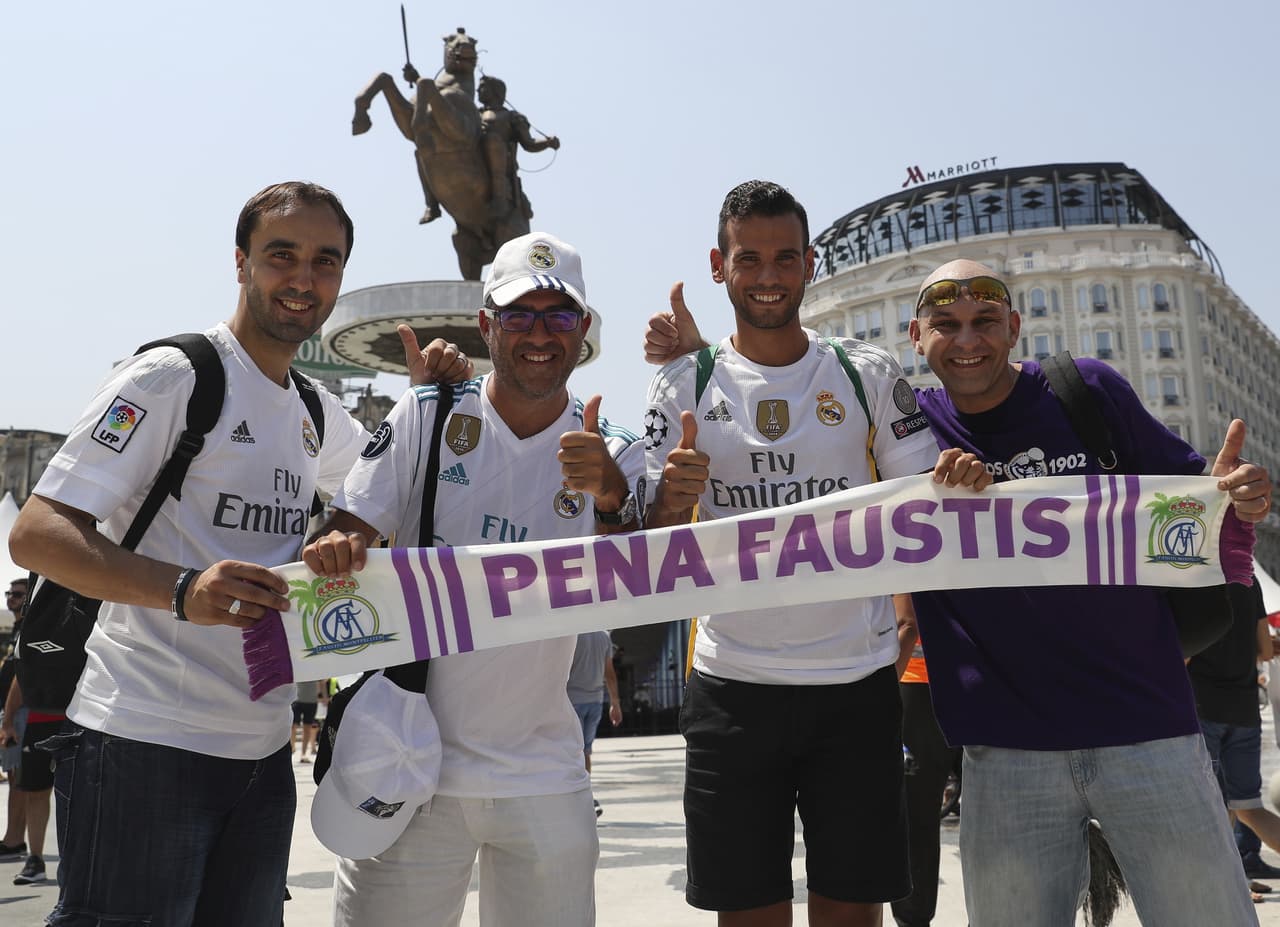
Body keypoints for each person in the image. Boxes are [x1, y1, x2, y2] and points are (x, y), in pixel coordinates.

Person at [645, 255, 1273, 925]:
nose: (968, 340)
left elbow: (1196, 507)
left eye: (985, 321)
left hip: (1150, 736)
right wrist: (700, 361)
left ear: (1015, 328)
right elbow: (803, 466)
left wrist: (1235, 498)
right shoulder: (913, 435)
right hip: (1006, 761)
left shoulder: (1087, 390)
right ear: (916, 337)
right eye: (946, 323)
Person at [7, 181, 472, 926]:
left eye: (326, 261)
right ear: (241, 263)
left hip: (261, 758)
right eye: (281, 255)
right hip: (143, 740)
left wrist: (421, 401)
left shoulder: (315, 409)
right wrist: (183, 588)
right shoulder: (174, 377)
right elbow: (35, 532)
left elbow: (390, 487)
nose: (303, 278)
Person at [304, 231, 646, 927]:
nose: (540, 334)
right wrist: (336, 547)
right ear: (487, 324)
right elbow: (341, 534)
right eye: (520, 314)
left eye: (559, 316)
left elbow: (645, 591)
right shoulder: (426, 412)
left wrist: (610, 498)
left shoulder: (614, 445)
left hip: (545, 772)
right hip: (408, 761)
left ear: (583, 330)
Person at [645, 180, 938, 926]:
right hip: (732, 685)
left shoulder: (867, 373)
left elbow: (927, 509)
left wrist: (958, 485)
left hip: (856, 684)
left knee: (850, 914)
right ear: (720, 265)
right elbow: (642, 540)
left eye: (784, 258)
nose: (768, 275)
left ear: (809, 264)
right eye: (749, 259)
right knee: (748, 914)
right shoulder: (685, 383)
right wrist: (671, 499)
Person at [1190, 581, 1280, 887]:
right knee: (1249, 808)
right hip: (1244, 711)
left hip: (1202, 708)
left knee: (1210, 807)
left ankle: (1222, 887)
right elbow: (1266, 649)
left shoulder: (1196, 578)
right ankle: (1233, 881)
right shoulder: (1250, 582)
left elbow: (1183, 652)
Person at [478, 75, 560, 221]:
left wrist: (547, 143)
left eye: (483, 87)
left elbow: (529, 144)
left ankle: (499, 199)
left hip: (500, 164)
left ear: (496, 92)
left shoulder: (511, 117)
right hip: (477, 159)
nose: (478, 90)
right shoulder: (473, 114)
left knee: (493, 140)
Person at [568, 630, 622, 817]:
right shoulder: (603, 636)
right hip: (596, 701)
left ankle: (581, 798)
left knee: (572, 751)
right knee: (585, 751)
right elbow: (610, 673)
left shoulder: (571, 634)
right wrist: (615, 704)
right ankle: (585, 794)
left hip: (573, 698)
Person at [0, 578, 29, 856]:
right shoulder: (17, 628)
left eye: (18, 594)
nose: (11, 598)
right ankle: (13, 838)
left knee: (18, 777)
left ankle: (13, 840)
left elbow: (21, 676)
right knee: (13, 775)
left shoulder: (29, 628)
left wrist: (8, 720)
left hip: (18, 714)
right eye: (9, 593)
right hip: (10, 713)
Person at [291, 679, 326, 763]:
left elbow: (322, 682)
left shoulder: (316, 669)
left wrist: (324, 697)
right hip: (296, 700)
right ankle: (292, 746)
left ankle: (303, 754)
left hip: (311, 701)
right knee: (293, 726)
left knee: (307, 728)